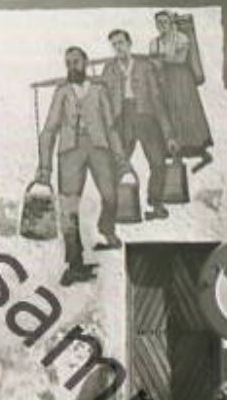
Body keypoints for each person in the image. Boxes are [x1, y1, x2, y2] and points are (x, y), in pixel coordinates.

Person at [36, 46, 123, 286]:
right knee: (69, 209)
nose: (72, 66)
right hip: (70, 152)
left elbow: (111, 126)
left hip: (99, 148)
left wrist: (121, 160)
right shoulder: (62, 92)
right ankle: (75, 264)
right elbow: (49, 130)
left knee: (111, 195)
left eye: (76, 61)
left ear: (86, 62)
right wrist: (44, 168)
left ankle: (107, 228)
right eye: (68, 63)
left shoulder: (98, 89)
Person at [99, 29, 178, 220]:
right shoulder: (109, 70)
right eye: (115, 44)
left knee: (158, 162)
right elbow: (104, 103)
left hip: (146, 117)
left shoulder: (145, 66)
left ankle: (156, 204)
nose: (118, 47)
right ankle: (117, 210)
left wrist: (168, 135)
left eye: (121, 43)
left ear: (129, 43)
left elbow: (157, 100)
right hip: (122, 119)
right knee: (118, 164)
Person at [151, 10, 214, 172]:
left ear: (171, 23)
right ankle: (174, 149)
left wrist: (161, 59)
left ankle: (198, 148)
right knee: (169, 112)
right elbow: (153, 62)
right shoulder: (155, 42)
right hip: (164, 80)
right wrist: (160, 62)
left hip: (181, 80)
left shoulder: (181, 38)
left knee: (186, 112)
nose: (162, 26)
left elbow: (180, 59)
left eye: (165, 22)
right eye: (159, 23)